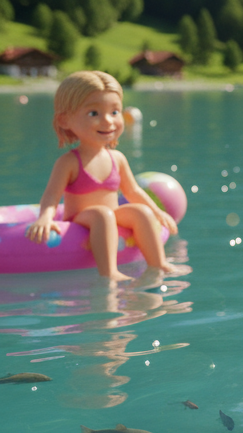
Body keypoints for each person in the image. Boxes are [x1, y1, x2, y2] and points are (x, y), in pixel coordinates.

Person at [26, 71, 181, 282]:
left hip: (111, 215)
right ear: (65, 120)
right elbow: (51, 195)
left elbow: (133, 190)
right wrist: (45, 217)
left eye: (115, 112)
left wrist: (157, 212)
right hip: (80, 222)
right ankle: (109, 273)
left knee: (141, 212)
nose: (107, 121)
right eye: (93, 113)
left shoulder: (117, 158)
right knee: (101, 214)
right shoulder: (69, 162)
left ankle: (158, 264)